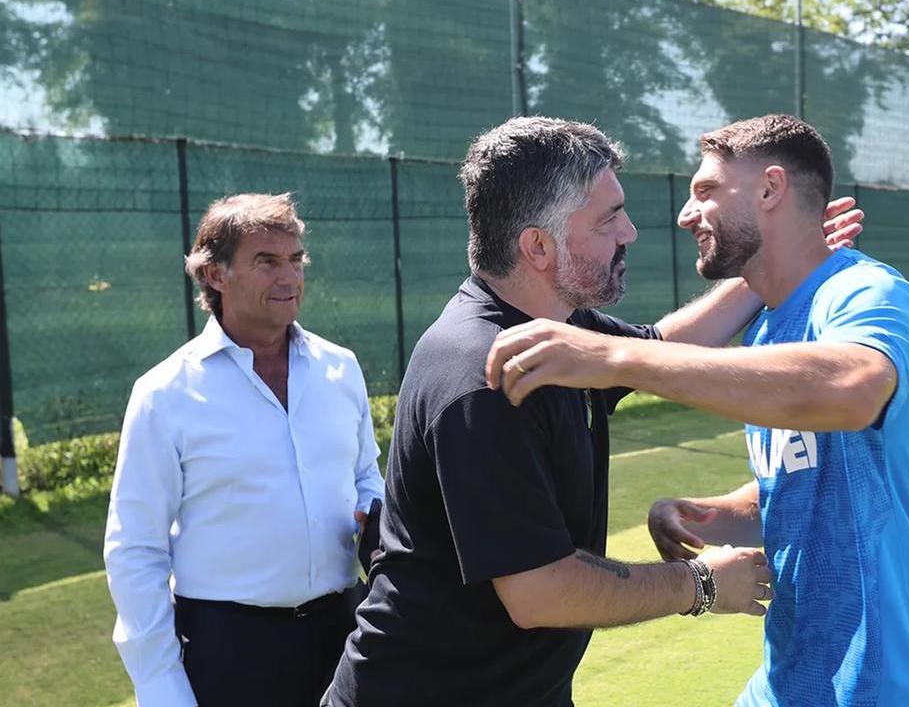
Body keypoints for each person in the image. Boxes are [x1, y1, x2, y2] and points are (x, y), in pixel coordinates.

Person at [324, 116, 864, 706]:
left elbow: (657, 350)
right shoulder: (482, 378)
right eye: (608, 219)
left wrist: (777, 255)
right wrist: (702, 582)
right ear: (538, 247)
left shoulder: (558, 328)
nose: (630, 232)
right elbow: (540, 591)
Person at [486, 115, 909, 706]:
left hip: (885, 684)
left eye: (706, 191)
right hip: (791, 681)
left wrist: (616, 358)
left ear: (770, 189)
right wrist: (712, 516)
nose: (686, 214)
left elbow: (853, 387)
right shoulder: (766, 329)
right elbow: (807, 480)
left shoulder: (867, 293)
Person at [103, 193, 386, 707]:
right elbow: (135, 549)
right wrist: (161, 685)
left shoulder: (341, 368)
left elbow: (366, 475)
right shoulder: (164, 394)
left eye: (296, 259)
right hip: (229, 651)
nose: (290, 277)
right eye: (267, 261)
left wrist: (371, 508)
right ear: (215, 274)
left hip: (344, 636)